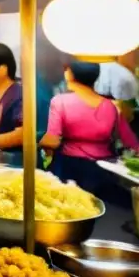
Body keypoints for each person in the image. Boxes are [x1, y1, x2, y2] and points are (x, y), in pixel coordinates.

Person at [41, 61, 139, 198]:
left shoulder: (60, 101)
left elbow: (52, 141)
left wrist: (33, 139)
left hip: (70, 170)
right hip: (103, 173)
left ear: (69, 75)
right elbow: (132, 144)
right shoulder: (111, 107)